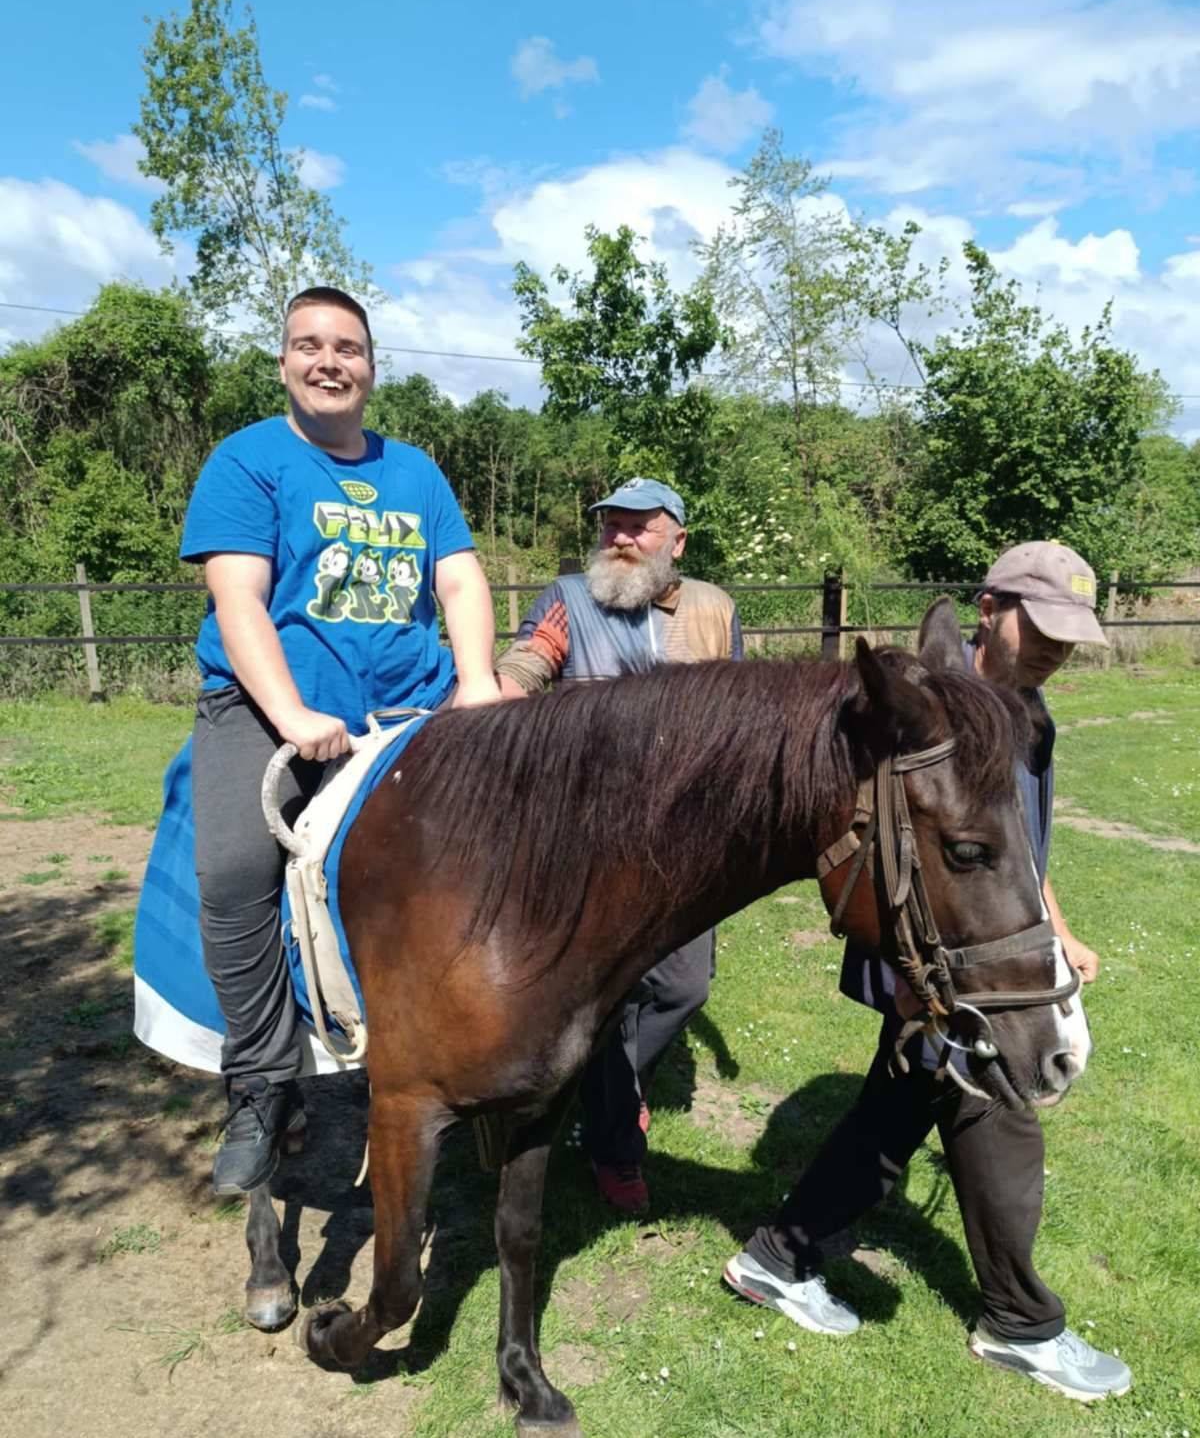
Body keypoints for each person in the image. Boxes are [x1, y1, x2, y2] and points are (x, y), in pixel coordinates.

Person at [724, 541, 1133, 1403]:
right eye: (1043, 624)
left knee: (898, 1109)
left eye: (1072, 633)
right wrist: (913, 975)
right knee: (1000, 1106)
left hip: (983, 951)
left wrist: (1057, 930)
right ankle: (1021, 1322)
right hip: (929, 959)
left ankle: (778, 1257)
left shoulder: (1031, 715)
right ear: (989, 608)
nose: (1058, 646)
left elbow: (1012, 856)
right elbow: (889, 853)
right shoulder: (928, 717)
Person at [184, 285, 500, 1196]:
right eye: (310, 345)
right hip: (271, 713)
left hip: (407, 712)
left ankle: (475, 1047)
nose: (330, 361)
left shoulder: (416, 472)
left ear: (371, 364)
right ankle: (261, 1082)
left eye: (348, 347)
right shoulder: (247, 462)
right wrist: (291, 715)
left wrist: (477, 683)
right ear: (283, 361)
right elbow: (238, 599)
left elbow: (462, 583)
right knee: (236, 870)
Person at [496, 477, 743, 1214]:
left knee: (681, 985)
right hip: (588, 839)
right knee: (605, 993)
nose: (621, 538)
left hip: (684, 839)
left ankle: (614, 1087)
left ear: (678, 540)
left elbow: (733, 708)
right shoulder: (570, 600)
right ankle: (614, 1141)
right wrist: (492, 703)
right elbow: (524, 667)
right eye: (612, 526)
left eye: (640, 526)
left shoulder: (713, 609)